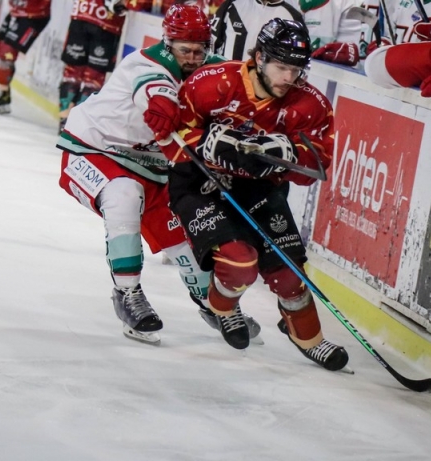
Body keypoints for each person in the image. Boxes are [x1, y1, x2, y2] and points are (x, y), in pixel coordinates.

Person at [57, 4, 261, 345]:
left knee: (189, 245)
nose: (193, 58)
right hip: (94, 151)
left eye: (199, 50)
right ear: (168, 44)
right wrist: (168, 116)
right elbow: (157, 94)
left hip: (152, 169)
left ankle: (216, 307)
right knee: (123, 195)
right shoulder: (147, 64)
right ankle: (127, 294)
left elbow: (248, 87)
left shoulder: (213, 70)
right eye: (185, 50)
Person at [164, 18, 349, 371]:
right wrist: (205, 147)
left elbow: (316, 166)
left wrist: (289, 155)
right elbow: (173, 134)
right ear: (259, 57)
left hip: (259, 188)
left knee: (289, 276)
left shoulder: (309, 105)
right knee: (239, 264)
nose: (289, 78)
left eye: (296, 69)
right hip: (201, 184)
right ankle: (223, 308)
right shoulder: (211, 83)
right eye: (281, 67)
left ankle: (309, 338)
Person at [58, 0, 128, 132]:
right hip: (98, 19)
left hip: (93, 18)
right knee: (84, 77)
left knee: (78, 75)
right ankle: (73, 125)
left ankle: (69, 123)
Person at [0, 0, 52, 114]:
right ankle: (4, 93)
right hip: (16, 10)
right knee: (0, 48)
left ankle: (3, 94)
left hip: (34, 14)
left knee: (6, 51)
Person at [210, 0, 303, 60]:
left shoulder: (293, 17)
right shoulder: (232, 5)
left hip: (265, 87)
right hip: (227, 82)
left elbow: (298, 60)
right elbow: (212, 43)